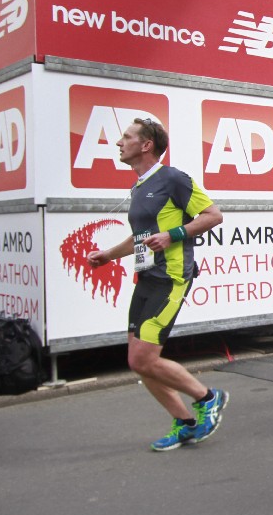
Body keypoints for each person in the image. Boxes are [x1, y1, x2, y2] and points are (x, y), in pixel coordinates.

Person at [88, 118, 228, 451]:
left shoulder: (173, 179)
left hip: (171, 277)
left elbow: (213, 215)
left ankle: (208, 398)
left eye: (127, 137)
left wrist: (172, 235)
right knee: (138, 361)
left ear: (146, 145)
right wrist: (108, 255)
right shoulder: (140, 186)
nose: (119, 142)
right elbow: (141, 237)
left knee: (144, 359)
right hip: (148, 277)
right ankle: (185, 422)